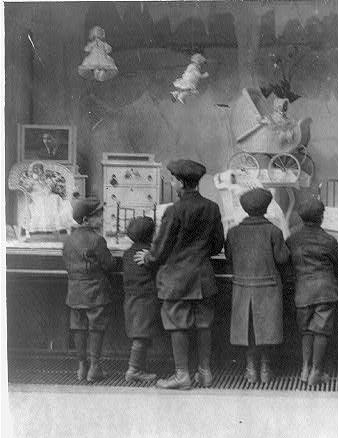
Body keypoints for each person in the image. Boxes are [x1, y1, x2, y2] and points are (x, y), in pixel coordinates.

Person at [134, 159, 224, 390]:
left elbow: (160, 249)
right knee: (204, 323)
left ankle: (182, 375)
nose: (172, 181)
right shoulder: (212, 208)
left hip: (176, 279)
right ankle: (205, 373)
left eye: (173, 178)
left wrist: (147, 257)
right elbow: (216, 245)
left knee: (177, 323)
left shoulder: (173, 211)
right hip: (203, 277)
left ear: (180, 183)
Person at [225, 188, 290, 384]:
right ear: (266, 207)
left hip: (242, 287)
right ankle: (266, 369)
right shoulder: (274, 231)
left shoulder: (233, 232)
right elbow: (282, 258)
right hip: (268, 287)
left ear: (244, 208)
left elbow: (229, 256)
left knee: (248, 330)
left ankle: (250, 368)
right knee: (266, 330)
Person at [286, 196, 338, 386]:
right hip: (325, 291)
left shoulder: (292, 239)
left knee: (306, 331)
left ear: (301, 217)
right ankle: (316, 372)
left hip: (303, 291)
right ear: (321, 217)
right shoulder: (329, 240)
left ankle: (304, 369)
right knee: (321, 331)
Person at [62, 197, 115, 382]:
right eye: (98, 216)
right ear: (86, 220)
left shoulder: (68, 240)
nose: (101, 219)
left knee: (78, 327)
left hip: (75, 292)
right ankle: (95, 367)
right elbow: (109, 265)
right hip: (95, 293)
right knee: (96, 328)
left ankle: (81, 366)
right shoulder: (97, 240)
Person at [122, 216, 161, 383]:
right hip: (144, 300)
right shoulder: (147, 254)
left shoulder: (127, 253)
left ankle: (138, 367)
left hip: (131, 298)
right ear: (151, 235)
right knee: (141, 335)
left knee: (140, 334)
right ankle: (134, 370)